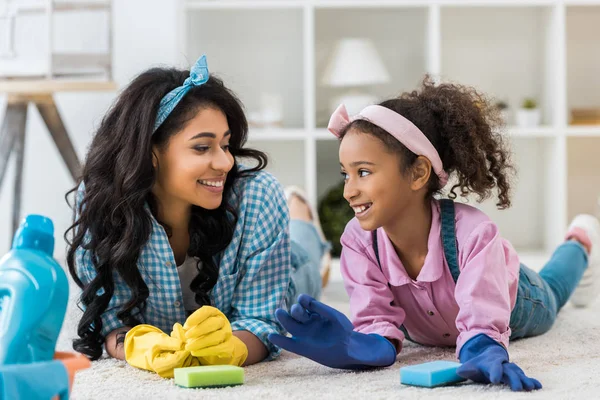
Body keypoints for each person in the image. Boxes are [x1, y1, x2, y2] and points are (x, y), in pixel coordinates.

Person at [269, 77, 600, 391]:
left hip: (515, 299)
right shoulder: (358, 241)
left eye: (364, 172)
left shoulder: (472, 234)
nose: (348, 191)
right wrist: (357, 344)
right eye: (346, 175)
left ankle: (580, 241)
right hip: (436, 325)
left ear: (418, 173)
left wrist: (483, 347)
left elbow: (483, 317)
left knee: (555, 292)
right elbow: (378, 324)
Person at [65, 55, 329, 369]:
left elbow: (262, 320)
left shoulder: (257, 197)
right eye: (202, 148)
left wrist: (229, 349)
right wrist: (134, 347)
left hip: (289, 273)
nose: (225, 162)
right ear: (149, 153)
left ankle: (298, 208)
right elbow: (109, 319)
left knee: (306, 258)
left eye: (226, 145)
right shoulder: (103, 201)